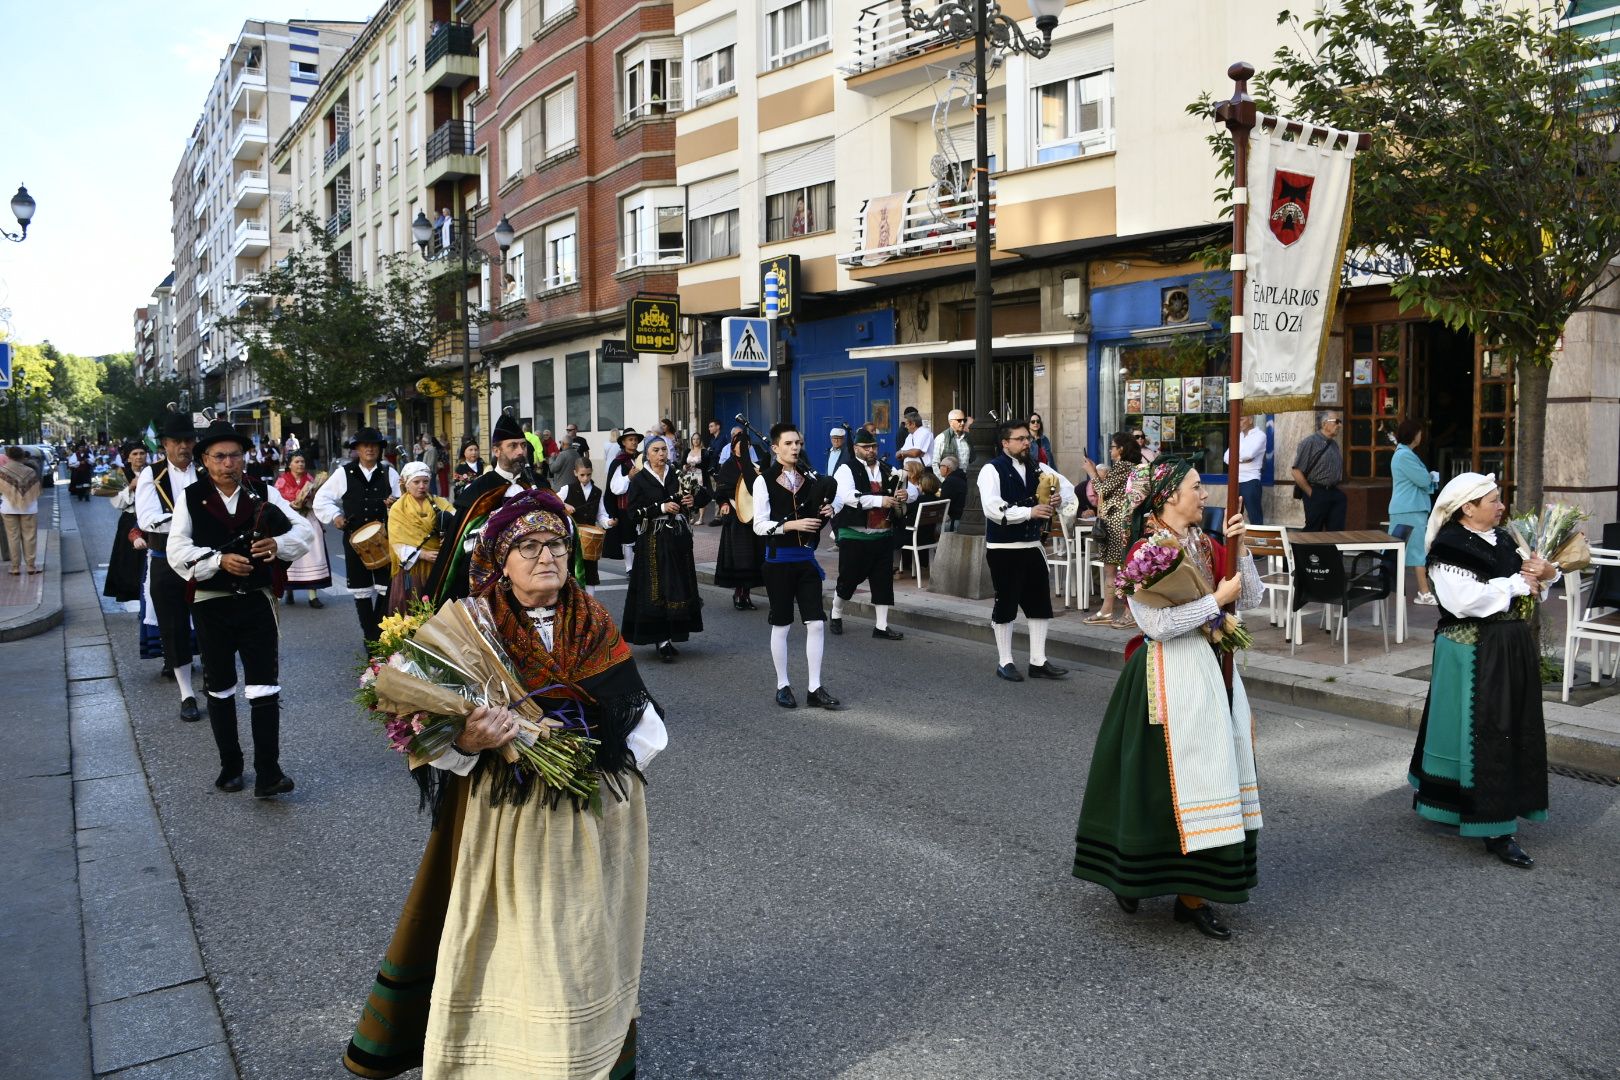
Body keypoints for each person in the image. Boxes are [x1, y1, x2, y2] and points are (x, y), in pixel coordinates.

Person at [341, 488, 666, 1080]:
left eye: (558, 545)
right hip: (510, 814)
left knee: (589, 937)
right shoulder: (468, 625)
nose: (548, 557)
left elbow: (641, 718)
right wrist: (471, 740)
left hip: (596, 809)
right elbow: (429, 733)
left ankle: (591, 1054)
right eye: (530, 546)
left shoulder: (591, 619)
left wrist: (596, 763)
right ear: (498, 560)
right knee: (526, 937)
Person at [1072, 458, 1265, 941]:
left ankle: (1193, 896)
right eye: (1198, 488)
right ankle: (1135, 873)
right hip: (1166, 676)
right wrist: (1214, 603)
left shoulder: (1205, 543)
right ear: (1169, 496)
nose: (1205, 496)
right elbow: (1155, 626)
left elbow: (1254, 598)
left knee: (1211, 777)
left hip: (1214, 670)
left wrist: (1243, 553)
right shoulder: (1146, 551)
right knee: (1157, 785)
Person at [1408, 473, 1557, 869]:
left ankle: (1492, 807)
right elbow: (1465, 602)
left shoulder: (1506, 539)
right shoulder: (1449, 546)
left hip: (1509, 647)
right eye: (1493, 500)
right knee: (1484, 732)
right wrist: (1518, 585)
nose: (1501, 505)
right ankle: (1494, 827)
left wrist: (1545, 573)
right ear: (1467, 508)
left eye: (1499, 499)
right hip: (1472, 651)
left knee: (1508, 728)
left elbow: (1537, 579)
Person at [167, 419, 313, 798]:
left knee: (264, 686)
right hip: (212, 603)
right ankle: (230, 767)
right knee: (219, 687)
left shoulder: (262, 492)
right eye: (220, 456)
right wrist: (218, 560)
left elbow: (303, 532)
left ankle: (268, 772)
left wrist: (276, 546)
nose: (229, 463)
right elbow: (176, 550)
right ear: (205, 459)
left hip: (257, 601)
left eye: (235, 455)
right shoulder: (191, 496)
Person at [752, 423, 840, 709]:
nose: (795, 448)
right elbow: (759, 525)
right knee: (782, 624)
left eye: (798, 443)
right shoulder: (763, 480)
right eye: (789, 443)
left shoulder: (808, 477)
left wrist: (828, 511)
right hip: (778, 562)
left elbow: (818, 512)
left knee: (815, 623)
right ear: (775, 447)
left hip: (806, 561)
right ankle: (783, 685)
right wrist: (791, 524)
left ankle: (814, 687)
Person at [978, 420, 1075, 681]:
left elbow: (1066, 489)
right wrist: (1029, 512)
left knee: (1039, 604)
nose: (1026, 443)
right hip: (1003, 548)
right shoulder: (991, 470)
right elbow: (992, 507)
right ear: (1005, 443)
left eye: (1027, 439)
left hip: (1032, 546)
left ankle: (1038, 661)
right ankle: (1005, 661)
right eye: (1020, 439)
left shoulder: (1038, 467)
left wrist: (1056, 499)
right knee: (1006, 604)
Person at [427, 412, 536, 607]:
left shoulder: (536, 484)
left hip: (533, 577)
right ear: (496, 451)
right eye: (513, 445)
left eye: (523, 445)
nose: (520, 451)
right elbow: (462, 543)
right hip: (489, 580)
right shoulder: (479, 490)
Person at [136, 411, 202, 721]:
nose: (184, 446)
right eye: (177, 441)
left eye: (188, 440)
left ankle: (215, 683)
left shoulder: (205, 470)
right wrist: (187, 519)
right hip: (166, 561)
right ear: (165, 444)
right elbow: (148, 519)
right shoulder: (152, 474)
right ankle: (186, 693)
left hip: (205, 558)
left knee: (212, 619)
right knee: (173, 627)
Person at [620, 431, 709, 661]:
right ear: (647, 455)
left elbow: (704, 495)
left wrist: (692, 501)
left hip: (677, 540)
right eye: (656, 450)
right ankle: (660, 639)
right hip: (653, 540)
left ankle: (670, 636)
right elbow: (632, 514)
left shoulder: (677, 475)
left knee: (677, 586)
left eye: (664, 450)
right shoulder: (639, 479)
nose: (661, 454)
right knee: (656, 589)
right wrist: (661, 508)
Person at [314, 427, 402, 646]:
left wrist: (394, 505)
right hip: (355, 539)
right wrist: (335, 516)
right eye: (365, 445)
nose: (370, 449)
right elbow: (321, 499)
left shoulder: (389, 472)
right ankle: (369, 635)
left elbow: (403, 502)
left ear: (380, 449)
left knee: (386, 587)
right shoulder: (344, 473)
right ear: (357, 450)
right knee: (361, 590)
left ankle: (376, 631)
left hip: (383, 539)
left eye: (374, 445)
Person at [830, 429, 908, 640]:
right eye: (866, 447)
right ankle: (836, 613)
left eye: (873, 446)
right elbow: (848, 496)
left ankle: (881, 627)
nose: (871, 450)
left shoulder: (886, 468)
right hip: (855, 535)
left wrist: (905, 494)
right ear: (856, 448)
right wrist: (879, 500)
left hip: (882, 534)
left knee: (883, 582)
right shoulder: (846, 469)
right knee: (848, 580)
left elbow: (906, 486)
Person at [1078, 432, 1146, 628]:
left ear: (1121, 449)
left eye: (1113, 446)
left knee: (1124, 569)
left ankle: (1128, 612)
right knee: (1111, 569)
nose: (1110, 450)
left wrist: (1092, 471)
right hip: (1114, 522)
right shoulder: (1122, 467)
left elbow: (1102, 489)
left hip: (1118, 523)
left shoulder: (1124, 466)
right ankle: (1107, 610)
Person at [385, 462, 456, 614]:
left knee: (438, 611)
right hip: (413, 569)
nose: (422, 486)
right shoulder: (398, 508)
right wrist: (423, 554)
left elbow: (458, 523)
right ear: (407, 484)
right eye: (416, 482)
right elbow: (396, 542)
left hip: (439, 565)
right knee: (413, 612)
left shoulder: (441, 503)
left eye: (425, 481)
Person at [712, 430, 765, 610]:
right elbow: (720, 490)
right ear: (733, 447)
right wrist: (724, 503)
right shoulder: (728, 466)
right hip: (735, 518)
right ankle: (738, 593)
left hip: (752, 518)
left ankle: (747, 595)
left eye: (746, 444)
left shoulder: (754, 466)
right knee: (740, 558)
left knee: (752, 558)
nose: (743, 447)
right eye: (739, 444)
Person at [1389, 418, 1439, 605]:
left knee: (1404, 551)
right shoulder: (1404, 455)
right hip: (1410, 508)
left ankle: (1389, 584)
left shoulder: (1405, 454)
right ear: (1413, 434)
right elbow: (1423, 480)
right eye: (1419, 432)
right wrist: (1431, 477)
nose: (1421, 435)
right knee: (1417, 550)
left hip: (1409, 508)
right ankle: (1423, 592)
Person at [275, 451, 330, 607]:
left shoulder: (310, 479)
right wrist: (292, 504)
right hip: (290, 519)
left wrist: (311, 497)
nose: (300, 464)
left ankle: (313, 595)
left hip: (308, 518)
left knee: (313, 553)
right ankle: (289, 591)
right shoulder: (281, 481)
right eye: (297, 461)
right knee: (291, 555)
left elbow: (319, 500)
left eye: (302, 461)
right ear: (290, 464)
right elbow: (276, 501)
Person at [556, 458, 614, 596]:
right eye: (582, 475)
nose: (586, 478)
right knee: (570, 569)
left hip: (590, 539)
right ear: (575, 473)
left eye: (588, 474)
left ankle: (590, 603)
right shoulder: (567, 489)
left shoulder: (597, 492)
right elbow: (552, 500)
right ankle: (571, 600)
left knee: (590, 572)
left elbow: (601, 514)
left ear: (591, 472)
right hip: (572, 536)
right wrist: (564, 505)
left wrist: (608, 522)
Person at [102, 442, 149, 603]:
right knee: (130, 561)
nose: (139, 457)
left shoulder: (154, 471)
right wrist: (130, 487)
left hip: (151, 520)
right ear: (128, 457)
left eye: (142, 453)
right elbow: (116, 503)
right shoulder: (118, 474)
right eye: (135, 454)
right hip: (130, 520)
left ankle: (149, 597)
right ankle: (134, 595)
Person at [1291, 410, 1345, 532]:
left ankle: (1334, 552)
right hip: (1316, 491)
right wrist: (1311, 493)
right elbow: (1296, 471)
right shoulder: (1310, 442)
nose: (1339, 425)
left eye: (1340, 422)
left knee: (1336, 531)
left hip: (1333, 492)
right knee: (1313, 530)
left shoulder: (1334, 444)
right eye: (1336, 422)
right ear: (1325, 423)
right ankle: (1300, 551)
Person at [603, 429, 644, 566]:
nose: (634, 442)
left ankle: (640, 566)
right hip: (625, 506)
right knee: (628, 538)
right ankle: (629, 567)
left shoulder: (642, 458)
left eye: (635, 440)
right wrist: (629, 477)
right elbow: (614, 487)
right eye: (630, 440)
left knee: (642, 535)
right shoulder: (618, 462)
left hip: (642, 504)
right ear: (624, 442)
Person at [1, 445, 42, 576]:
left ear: (8, 456)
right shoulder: (30, 471)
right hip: (29, 507)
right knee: (29, 537)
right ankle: (30, 566)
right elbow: (36, 489)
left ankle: (15, 567)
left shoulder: (2, 471)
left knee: (12, 537)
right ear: (22, 456)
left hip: (8, 507)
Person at [1223, 414, 1267, 526]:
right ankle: (1234, 542)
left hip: (1250, 481)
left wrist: (1236, 458)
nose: (1238, 422)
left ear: (1251, 419)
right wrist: (1243, 459)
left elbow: (1250, 454)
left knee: (1255, 517)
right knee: (1233, 517)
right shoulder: (1238, 436)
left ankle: (1257, 543)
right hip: (1235, 481)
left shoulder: (1260, 435)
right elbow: (1226, 458)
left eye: (1241, 419)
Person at [938, 454, 967, 532]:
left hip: (955, 523)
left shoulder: (949, 482)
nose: (939, 468)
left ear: (947, 468)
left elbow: (942, 505)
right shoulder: (963, 478)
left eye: (940, 466)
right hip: (964, 520)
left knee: (930, 528)